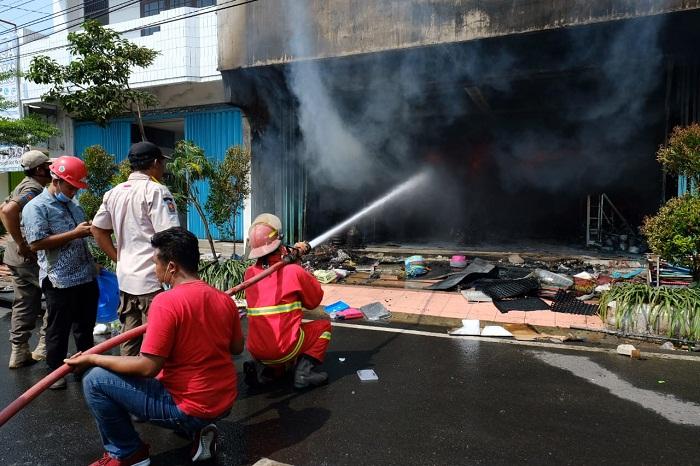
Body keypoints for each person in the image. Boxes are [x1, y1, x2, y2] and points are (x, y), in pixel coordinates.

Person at [65, 227, 244, 466]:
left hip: (190, 407)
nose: (154, 268)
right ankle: (198, 430)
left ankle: (128, 453)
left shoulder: (165, 302)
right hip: (223, 402)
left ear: (171, 266)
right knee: (162, 375)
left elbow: (147, 366)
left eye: (155, 262)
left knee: (94, 380)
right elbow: (236, 349)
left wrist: (93, 358)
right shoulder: (223, 299)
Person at [91, 141, 180, 356]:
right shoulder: (156, 191)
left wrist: (118, 259)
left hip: (126, 278)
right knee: (156, 341)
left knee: (129, 337)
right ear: (156, 163)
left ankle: (126, 384)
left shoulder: (113, 193)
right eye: (162, 164)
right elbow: (170, 236)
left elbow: (97, 230)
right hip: (152, 280)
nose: (163, 168)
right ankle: (155, 385)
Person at [22, 155, 98, 390]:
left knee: (85, 327)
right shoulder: (36, 207)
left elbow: (82, 236)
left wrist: (93, 259)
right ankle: (55, 371)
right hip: (59, 280)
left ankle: (84, 368)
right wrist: (74, 234)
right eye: (71, 186)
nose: (74, 191)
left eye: (77, 187)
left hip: (85, 275)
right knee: (58, 329)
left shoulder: (74, 204)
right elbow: (36, 244)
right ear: (55, 180)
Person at [243, 213, 331, 390]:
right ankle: (304, 374)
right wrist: (297, 262)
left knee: (279, 370)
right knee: (324, 327)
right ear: (279, 243)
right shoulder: (293, 272)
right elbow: (313, 301)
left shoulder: (249, 274)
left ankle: (262, 369)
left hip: (257, 350)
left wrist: (291, 261)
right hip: (283, 349)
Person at [0, 150, 53, 368]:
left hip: (15, 257)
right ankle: (44, 346)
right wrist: (22, 243)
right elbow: (8, 211)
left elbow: (4, 209)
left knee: (23, 302)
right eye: (48, 166)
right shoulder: (33, 188)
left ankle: (19, 351)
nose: (51, 169)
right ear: (40, 169)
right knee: (55, 297)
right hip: (28, 256)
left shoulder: (23, 184)